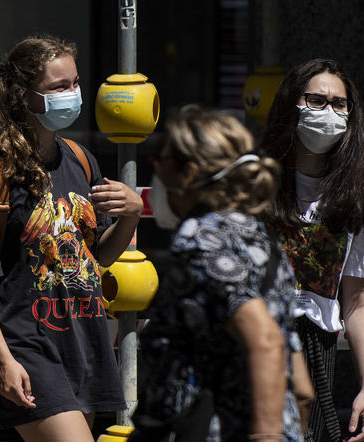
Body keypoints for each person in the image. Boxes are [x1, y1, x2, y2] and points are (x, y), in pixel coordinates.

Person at [0, 35, 143, 442]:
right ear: (24, 96)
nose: (72, 95)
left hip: (83, 340)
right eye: (59, 87)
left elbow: (97, 258)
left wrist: (130, 216)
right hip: (26, 345)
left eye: (75, 83)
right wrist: (2, 358)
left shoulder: (80, 159)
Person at [129, 107, 313, 442]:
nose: (155, 172)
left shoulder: (202, 240)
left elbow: (266, 340)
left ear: (189, 173)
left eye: (161, 162)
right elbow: (301, 388)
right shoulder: (262, 240)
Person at [260, 58, 364, 442]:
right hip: (256, 339)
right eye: (316, 101)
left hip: (319, 346)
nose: (329, 113)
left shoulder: (356, 194)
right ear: (291, 104)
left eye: (340, 104)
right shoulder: (255, 182)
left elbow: (357, 297)